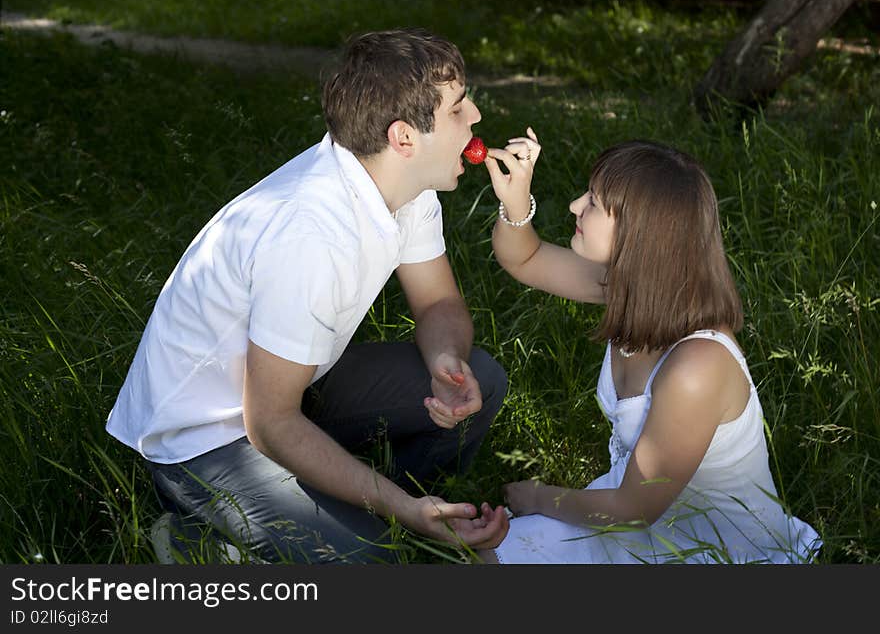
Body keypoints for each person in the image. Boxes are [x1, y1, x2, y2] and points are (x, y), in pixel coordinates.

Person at [105, 28, 510, 564]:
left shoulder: (405, 186)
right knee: (371, 560)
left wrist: (444, 360)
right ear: (404, 138)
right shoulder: (312, 233)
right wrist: (401, 510)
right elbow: (269, 421)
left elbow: (439, 305)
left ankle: (366, 507)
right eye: (459, 108)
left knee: (483, 379)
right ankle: (194, 536)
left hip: (290, 389)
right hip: (204, 439)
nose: (476, 117)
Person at [477, 129, 821, 563]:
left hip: (709, 548)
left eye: (594, 203)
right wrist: (515, 199)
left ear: (642, 234)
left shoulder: (698, 365)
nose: (574, 206)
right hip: (632, 509)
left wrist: (537, 496)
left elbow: (634, 512)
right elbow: (523, 259)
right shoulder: (627, 289)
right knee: (487, 557)